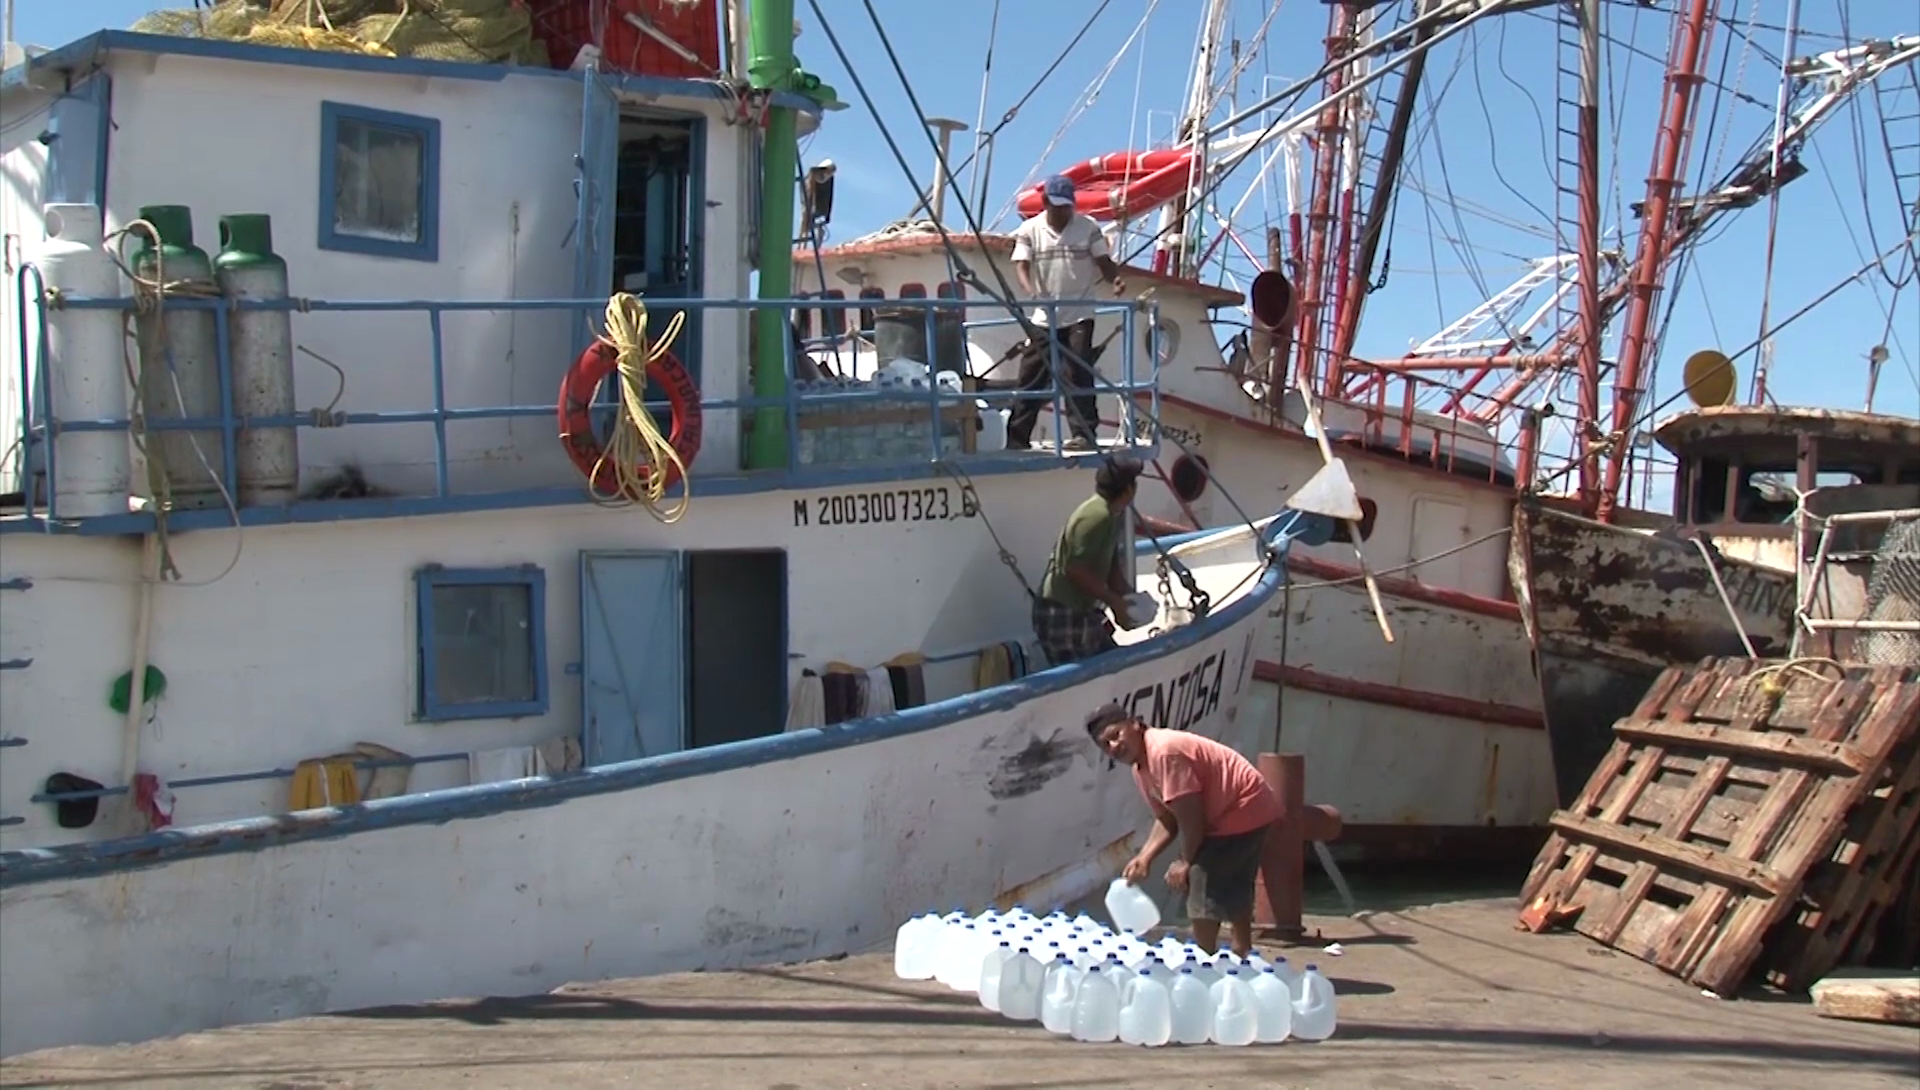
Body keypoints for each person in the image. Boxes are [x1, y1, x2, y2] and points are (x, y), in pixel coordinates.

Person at [1085, 703, 1281, 958]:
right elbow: (1167, 818)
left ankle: (1204, 958)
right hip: (1243, 808)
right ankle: (1241, 950)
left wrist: (1184, 862)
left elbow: (1192, 819)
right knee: (1233, 880)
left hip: (1242, 806)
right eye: (1105, 745)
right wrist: (1145, 857)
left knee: (1200, 878)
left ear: (1134, 724)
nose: (1113, 746)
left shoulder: (1164, 752)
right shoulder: (1141, 768)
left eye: (1116, 735)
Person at [1007, 173, 1125, 451]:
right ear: (1046, 202)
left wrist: (1115, 279)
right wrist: (1031, 291)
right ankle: (1017, 437)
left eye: (1067, 206)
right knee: (1031, 375)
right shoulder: (1029, 230)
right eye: (1057, 206)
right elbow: (1022, 265)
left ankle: (1084, 434)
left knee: (1078, 372)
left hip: (1079, 312)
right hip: (1044, 314)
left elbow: (1104, 261)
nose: (1063, 212)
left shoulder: (1088, 227)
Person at [1033, 456, 1142, 665]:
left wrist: (1130, 600)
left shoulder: (1112, 516)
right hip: (1062, 612)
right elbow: (1075, 569)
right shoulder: (1097, 516)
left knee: (1115, 663)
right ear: (1128, 490)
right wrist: (1114, 601)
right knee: (1084, 674)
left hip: (1083, 612)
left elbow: (1111, 568)